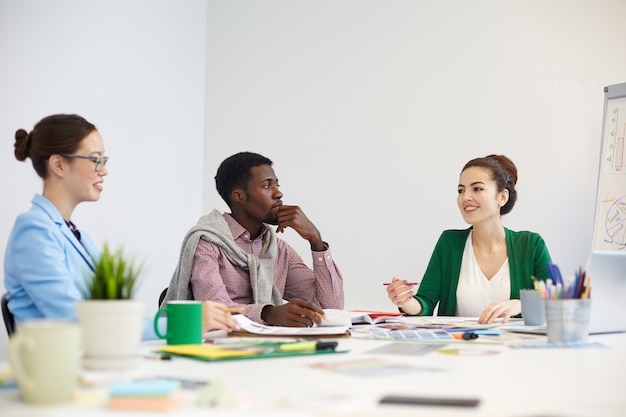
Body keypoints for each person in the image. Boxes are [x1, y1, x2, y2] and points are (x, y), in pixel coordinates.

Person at [4, 114, 238, 337]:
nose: (104, 170)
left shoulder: (78, 236)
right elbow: (76, 324)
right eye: (96, 159)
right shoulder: (33, 232)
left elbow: (113, 318)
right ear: (58, 164)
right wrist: (185, 323)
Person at [162, 151, 344, 327]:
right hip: (221, 349)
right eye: (267, 186)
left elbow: (330, 307)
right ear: (239, 196)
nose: (278, 194)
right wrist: (269, 313)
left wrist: (316, 241)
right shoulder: (207, 243)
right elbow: (215, 312)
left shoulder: (278, 250)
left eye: (277, 185)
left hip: (268, 347)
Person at [386, 154, 552, 324]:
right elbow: (425, 303)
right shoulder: (449, 243)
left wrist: (522, 304)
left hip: (513, 347)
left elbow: (555, 301)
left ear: (502, 197)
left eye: (477, 189)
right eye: (461, 190)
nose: (465, 197)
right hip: (458, 345)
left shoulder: (531, 245)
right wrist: (405, 301)